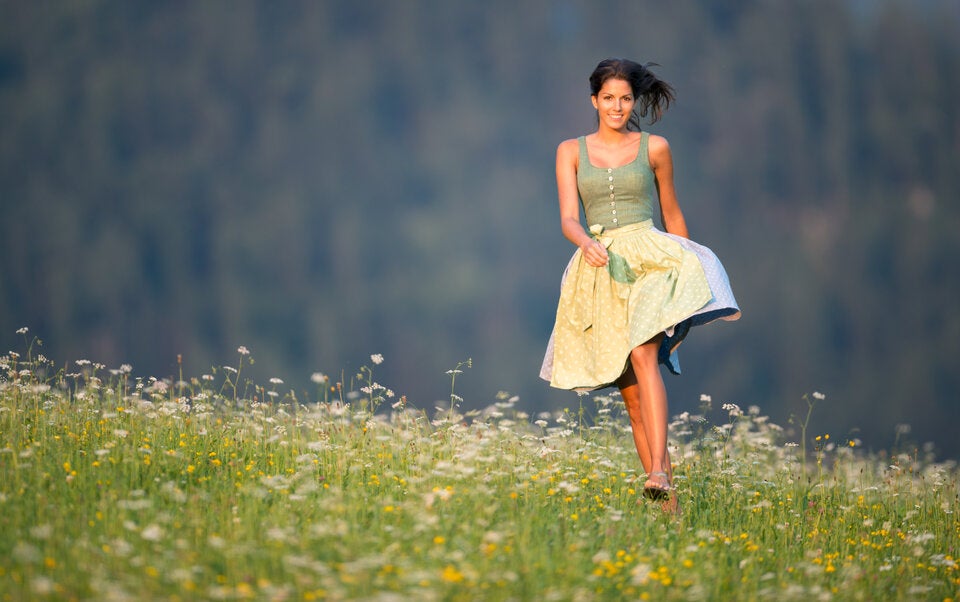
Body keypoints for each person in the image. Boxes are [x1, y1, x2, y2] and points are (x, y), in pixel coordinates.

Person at [540, 58, 740, 510]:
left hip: (652, 259)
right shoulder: (570, 151)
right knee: (631, 397)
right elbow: (569, 218)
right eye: (608, 98)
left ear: (634, 101)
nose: (617, 106)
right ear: (594, 101)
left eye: (625, 98)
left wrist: (690, 278)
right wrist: (585, 243)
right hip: (601, 265)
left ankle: (655, 471)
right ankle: (666, 503)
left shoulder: (656, 148)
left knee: (642, 352)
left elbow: (672, 213)